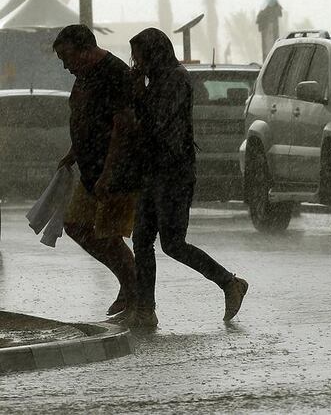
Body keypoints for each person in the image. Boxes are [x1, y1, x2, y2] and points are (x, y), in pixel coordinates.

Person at [125, 27, 248, 327]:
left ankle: (229, 283)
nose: (136, 62)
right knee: (142, 240)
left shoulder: (176, 79)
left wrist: (139, 96)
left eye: (140, 56)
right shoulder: (156, 80)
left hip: (173, 173)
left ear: (153, 53)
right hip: (153, 172)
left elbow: (157, 122)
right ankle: (145, 308)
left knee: (173, 243)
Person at [53, 24, 139, 318]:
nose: (66, 66)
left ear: (86, 50)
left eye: (68, 57)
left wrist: (109, 172)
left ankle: (135, 296)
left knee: (108, 234)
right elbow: (85, 116)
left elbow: (122, 125)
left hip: (115, 171)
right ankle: (129, 286)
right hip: (90, 168)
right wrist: (73, 152)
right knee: (76, 225)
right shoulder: (84, 75)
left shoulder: (113, 72)